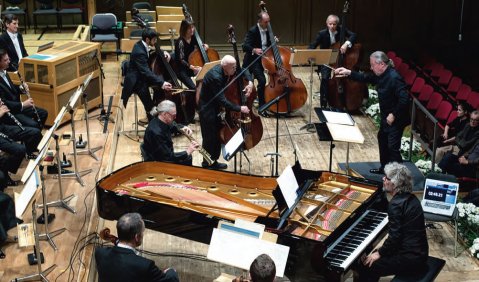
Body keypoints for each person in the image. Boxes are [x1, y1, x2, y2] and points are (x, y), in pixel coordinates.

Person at [335, 51, 410, 174]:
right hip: (387, 117)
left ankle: (401, 176)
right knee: (382, 140)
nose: (370, 67)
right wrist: (348, 72)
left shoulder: (394, 78)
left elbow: (404, 99)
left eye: (372, 65)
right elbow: (365, 77)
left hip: (396, 119)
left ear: (381, 64)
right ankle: (385, 168)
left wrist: (394, 114)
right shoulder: (381, 75)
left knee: (392, 147)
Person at [354, 162, 428, 282]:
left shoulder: (396, 204)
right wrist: (380, 252)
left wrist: (380, 253)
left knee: (367, 265)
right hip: (419, 252)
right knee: (374, 255)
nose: (383, 179)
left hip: (411, 259)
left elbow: (395, 237)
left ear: (395, 184)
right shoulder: (411, 198)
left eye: (387, 178)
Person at [198, 55, 252, 170]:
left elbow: (243, 70)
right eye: (233, 67)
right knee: (209, 138)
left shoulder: (229, 68)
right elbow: (222, 100)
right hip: (207, 110)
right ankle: (206, 164)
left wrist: (250, 83)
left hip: (217, 108)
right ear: (224, 67)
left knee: (217, 137)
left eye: (235, 66)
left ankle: (214, 161)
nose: (235, 69)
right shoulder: (215, 77)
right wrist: (239, 108)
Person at [95, 212, 179, 282]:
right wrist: (171, 271)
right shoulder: (145, 266)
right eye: (142, 233)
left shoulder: (100, 253)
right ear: (137, 237)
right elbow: (171, 280)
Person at [121, 29, 172, 124]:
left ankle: (156, 108)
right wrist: (162, 83)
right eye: (154, 40)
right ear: (148, 39)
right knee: (148, 96)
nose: (155, 42)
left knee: (159, 86)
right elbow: (146, 72)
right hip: (136, 81)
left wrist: (163, 52)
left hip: (142, 76)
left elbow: (152, 50)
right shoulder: (139, 51)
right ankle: (151, 114)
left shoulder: (142, 44)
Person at [309, 14, 356, 108]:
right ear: (327, 24)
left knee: (343, 77)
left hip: (339, 58)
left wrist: (346, 44)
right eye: (330, 24)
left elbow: (353, 35)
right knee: (325, 79)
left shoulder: (342, 29)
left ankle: (341, 100)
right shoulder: (321, 33)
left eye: (334, 24)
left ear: (337, 24)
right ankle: (323, 103)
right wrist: (309, 55)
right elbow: (313, 45)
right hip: (326, 58)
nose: (332, 26)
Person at [0, 49, 48, 129]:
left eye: (8, 58)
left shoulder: (4, 71)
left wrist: (21, 88)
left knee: (43, 113)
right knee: (33, 125)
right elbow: (4, 103)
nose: (9, 61)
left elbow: (11, 89)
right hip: (10, 112)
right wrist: (23, 104)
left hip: (18, 107)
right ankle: (34, 135)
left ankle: (34, 136)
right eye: (5, 60)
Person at [143, 100, 199, 165]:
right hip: (158, 163)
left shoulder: (160, 119)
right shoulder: (156, 133)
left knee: (187, 157)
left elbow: (172, 125)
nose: (175, 117)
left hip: (163, 156)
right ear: (165, 114)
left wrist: (182, 127)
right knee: (187, 158)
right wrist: (187, 152)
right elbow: (167, 157)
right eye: (173, 115)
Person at [242, 11, 271, 113]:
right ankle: (262, 107)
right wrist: (254, 50)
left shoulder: (268, 30)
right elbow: (244, 46)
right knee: (262, 81)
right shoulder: (253, 31)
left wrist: (273, 40)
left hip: (264, 59)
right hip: (253, 60)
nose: (268, 24)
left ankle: (261, 100)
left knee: (262, 81)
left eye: (268, 21)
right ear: (260, 21)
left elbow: (269, 44)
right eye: (266, 22)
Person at [174, 19, 206, 90]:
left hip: (192, 65)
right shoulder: (180, 42)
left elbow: (201, 47)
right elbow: (181, 60)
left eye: (192, 27)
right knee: (194, 88)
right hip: (182, 69)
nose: (192, 30)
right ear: (184, 29)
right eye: (189, 28)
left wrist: (204, 46)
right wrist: (192, 67)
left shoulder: (194, 38)